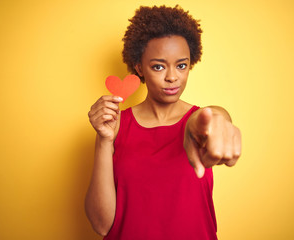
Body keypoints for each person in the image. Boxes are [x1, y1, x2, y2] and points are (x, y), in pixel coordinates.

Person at [85, 5, 241, 240]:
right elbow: (101, 225)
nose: (172, 77)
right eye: (158, 66)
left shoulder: (199, 121)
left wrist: (217, 121)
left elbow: (211, 118)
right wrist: (104, 140)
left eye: (181, 65)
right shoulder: (116, 125)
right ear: (139, 68)